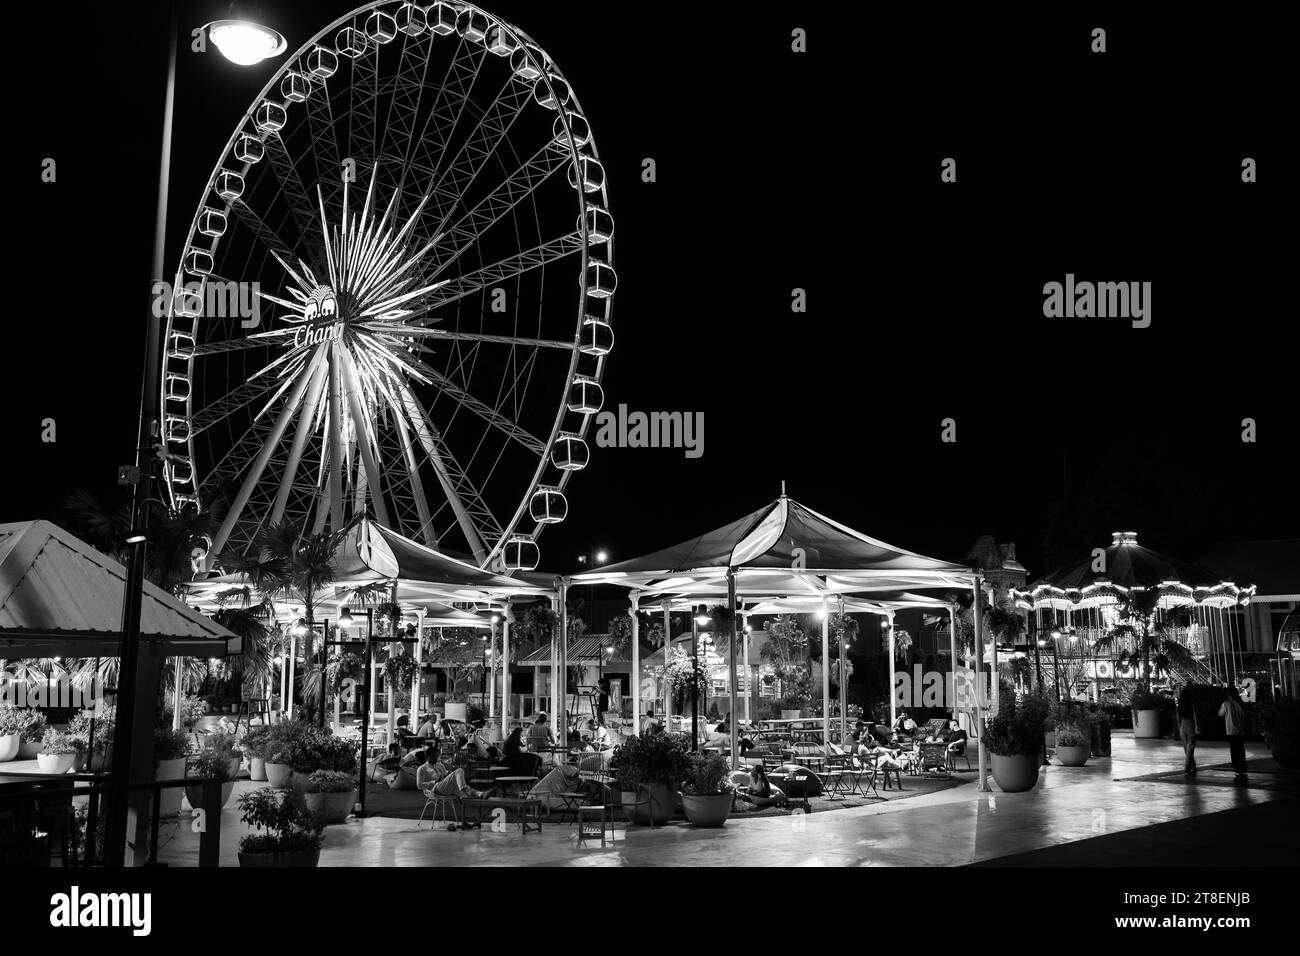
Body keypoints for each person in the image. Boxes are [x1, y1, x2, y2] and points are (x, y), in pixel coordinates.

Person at [416, 747, 491, 799]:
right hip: (434, 790)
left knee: (463, 787)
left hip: (444, 786)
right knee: (460, 770)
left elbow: (446, 774)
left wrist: (450, 773)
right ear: (428, 757)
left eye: (437, 756)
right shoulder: (422, 769)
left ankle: (481, 794)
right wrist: (434, 782)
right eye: (434, 756)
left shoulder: (440, 765)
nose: (436, 758)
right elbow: (419, 785)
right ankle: (465, 790)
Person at [1218, 685, 1248, 782]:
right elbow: (1244, 715)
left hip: (1231, 731)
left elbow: (1220, 714)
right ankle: (1243, 767)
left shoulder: (1226, 704)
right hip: (1240, 730)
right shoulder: (1241, 704)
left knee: (1234, 751)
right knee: (1241, 749)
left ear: (1228, 695)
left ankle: (1237, 768)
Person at [1177, 685, 1199, 776]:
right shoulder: (1191, 703)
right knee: (1191, 746)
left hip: (1182, 724)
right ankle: (1187, 765)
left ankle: (1192, 765)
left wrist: (1179, 728)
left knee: (1187, 748)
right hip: (1190, 724)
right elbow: (1194, 715)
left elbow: (1178, 716)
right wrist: (1197, 725)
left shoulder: (1180, 704)